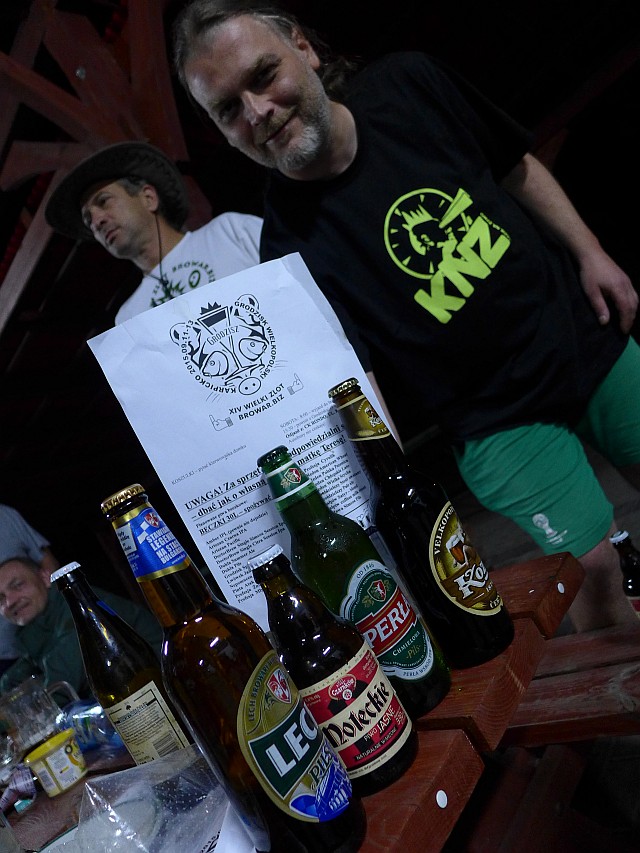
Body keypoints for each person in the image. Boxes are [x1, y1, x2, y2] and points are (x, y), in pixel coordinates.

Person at [172, 0, 640, 632]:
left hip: (581, 331)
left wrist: (592, 253)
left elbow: (514, 166)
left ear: (303, 48)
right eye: (228, 109)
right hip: (497, 421)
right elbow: (355, 380)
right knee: (596, 577)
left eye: (263, 75)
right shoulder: (285, 247)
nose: (257, 112)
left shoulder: (409, 84)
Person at [44, 141, 262, 323]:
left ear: (149, 198)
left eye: (103, 201)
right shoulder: (128, 319)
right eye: (88, 220)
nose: (96, 222)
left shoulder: (229, 231)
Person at [0, 556, 163, 699]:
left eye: (18, 585)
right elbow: (20, 673)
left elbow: (60, 685)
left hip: (162, 686)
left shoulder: (76, 602)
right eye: (1, 598)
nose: (10, 602)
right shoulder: (35, 628)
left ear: (44, 577)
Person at [0, 504, 60, 677]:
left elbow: (48, 565)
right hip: (6, 656)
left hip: (47, 637)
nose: (10, 601)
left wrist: (59, 615)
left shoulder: (5, 516)